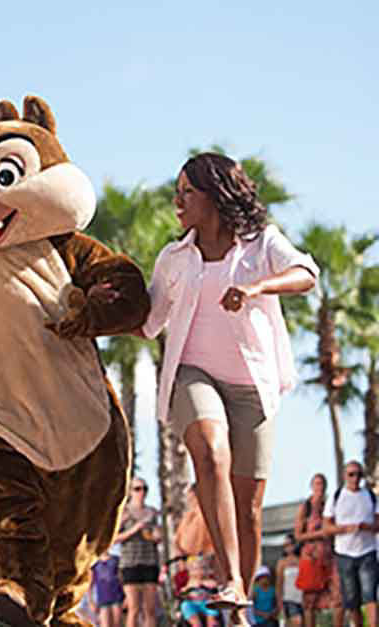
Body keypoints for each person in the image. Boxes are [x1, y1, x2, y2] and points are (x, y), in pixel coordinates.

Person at [141, 152, 319, 617]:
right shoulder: (174, 258)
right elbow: (148, 321)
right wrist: (103, 304)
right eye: (177, 192)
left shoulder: (261, 244)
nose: (178, 202)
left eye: (187, 192)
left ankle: (239, 606)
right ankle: (231, 579)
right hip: (192, 373)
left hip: (253, 385)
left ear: (215, 195)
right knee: (210, 453)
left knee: (249, 510)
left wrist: (257, 288)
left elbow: (306, 273)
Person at [323, 460, 379, 627]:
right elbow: (326, 527)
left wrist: (366, 527)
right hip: (344, 554)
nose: (355, 478)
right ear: (344, 476)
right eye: (351, 474)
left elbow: (378, 523)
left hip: (367, 552)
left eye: (359, 474)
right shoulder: (336, 497)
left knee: (370, 595)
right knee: (351, 599)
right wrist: (344, 529)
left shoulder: (370, 496)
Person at [294, 473, 343, 627]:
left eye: (322, 483)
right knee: (310, 601)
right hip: (311, 557)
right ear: (312, 486)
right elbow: (298, 535)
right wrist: (320, 533)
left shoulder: (330, 505)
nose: (319, 487)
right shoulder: (306, 507)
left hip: (330, 557)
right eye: (316, 483)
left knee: (338, 597)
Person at [115, 477, 161, 627]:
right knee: (134, 608)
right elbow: (113, 539)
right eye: (137, 489)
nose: (142, 492)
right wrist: (135, 529)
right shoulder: (124, 512)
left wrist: (156, 536)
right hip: (130, 563)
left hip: (150, 562)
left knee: (150, 610)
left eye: (144, 488)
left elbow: (158, 534)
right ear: (130, 491)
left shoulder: (152, 512)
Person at [91, 550, 125, 627]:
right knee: (105, 624)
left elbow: (122, 579)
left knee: (117, 623)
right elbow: (90, 584)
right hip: (102, 598)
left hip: (117, 596)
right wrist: (91, 601)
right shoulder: (94, 562)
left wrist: (126, 597)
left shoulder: (116, 559)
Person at [276, 534, 304, 626]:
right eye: (285, 545)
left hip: (303, 598)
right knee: (296, 622)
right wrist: (280, 603)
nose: (288, 547)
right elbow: (279, 584)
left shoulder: (302, 559)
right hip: (289, 598)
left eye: (290, 544)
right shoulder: (282, 562)